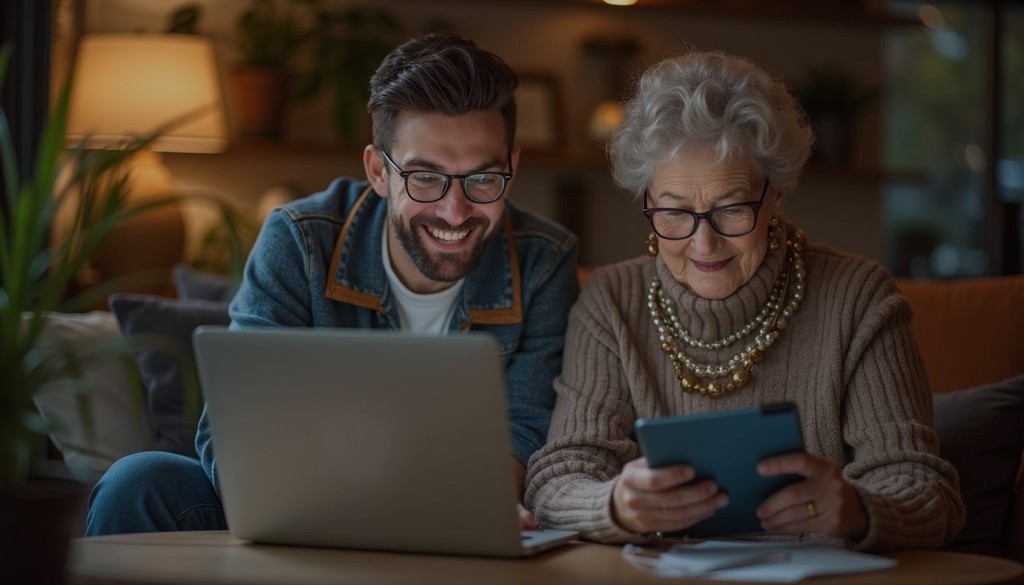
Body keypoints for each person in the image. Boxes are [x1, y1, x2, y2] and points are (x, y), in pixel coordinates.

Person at [86, 33, 579, 535]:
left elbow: (525, 426)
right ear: (377, 172)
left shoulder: (544, 260)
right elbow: (236, 428)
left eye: (482, 178)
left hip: (450, 513)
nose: (455, 211)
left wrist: (480, 507)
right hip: (303, 505)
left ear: (511, 168)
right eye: (424, 178)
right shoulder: (301, 241)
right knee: (139, 481)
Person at [524, 50, 965, 552]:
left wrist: (860, 507)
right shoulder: (611, 302)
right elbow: (557, 481)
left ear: (777, 193)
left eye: (732, 210)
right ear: (646, 200)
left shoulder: (858, 297)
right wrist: (614, 504)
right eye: (673, 213)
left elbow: (926, 490)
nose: (703, 243)